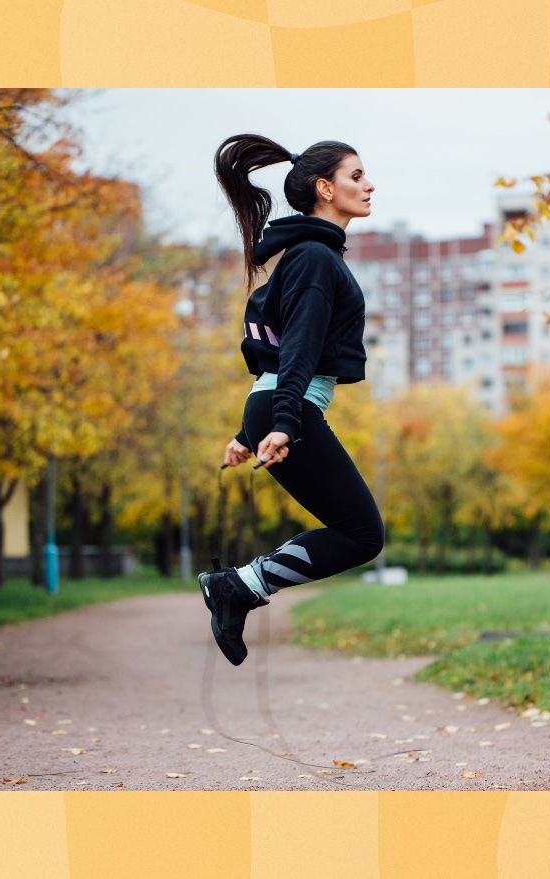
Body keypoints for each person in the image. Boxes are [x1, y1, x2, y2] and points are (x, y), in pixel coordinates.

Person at [200, 134, 385, 666]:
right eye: (356, 176)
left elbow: (284, 349)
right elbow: (299, 346)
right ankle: (237, 587)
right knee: (361, 535)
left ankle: (239, 586)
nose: (368, 185)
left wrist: (249, 431)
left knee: (357, 532)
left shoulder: (313, 255)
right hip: (290, 406)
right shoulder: (314, 257)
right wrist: (281, 422)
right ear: (325, 189)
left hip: (282, 405)